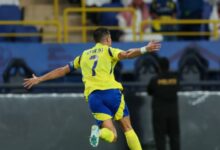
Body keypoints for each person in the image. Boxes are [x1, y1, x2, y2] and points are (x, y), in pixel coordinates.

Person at [23, 27, 161, 150]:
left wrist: (39, 79)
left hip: (94, 98)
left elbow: (62, 70)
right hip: (111, 93)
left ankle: (99, 132)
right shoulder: (108, 50)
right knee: (127, 128)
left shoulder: (84, 55)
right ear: (107, 39)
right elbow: (127, 54)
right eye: (110, 39)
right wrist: (145, 49)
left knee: (112, 135)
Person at [147, 57, 180, 150]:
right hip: (173, 113)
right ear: (169, 66)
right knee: (175, 137)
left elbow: (149, 91)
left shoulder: (155, 80)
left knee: (160, 138)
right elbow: (178, 88)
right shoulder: (175, 79)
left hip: (159, 113)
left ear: (159, 67)